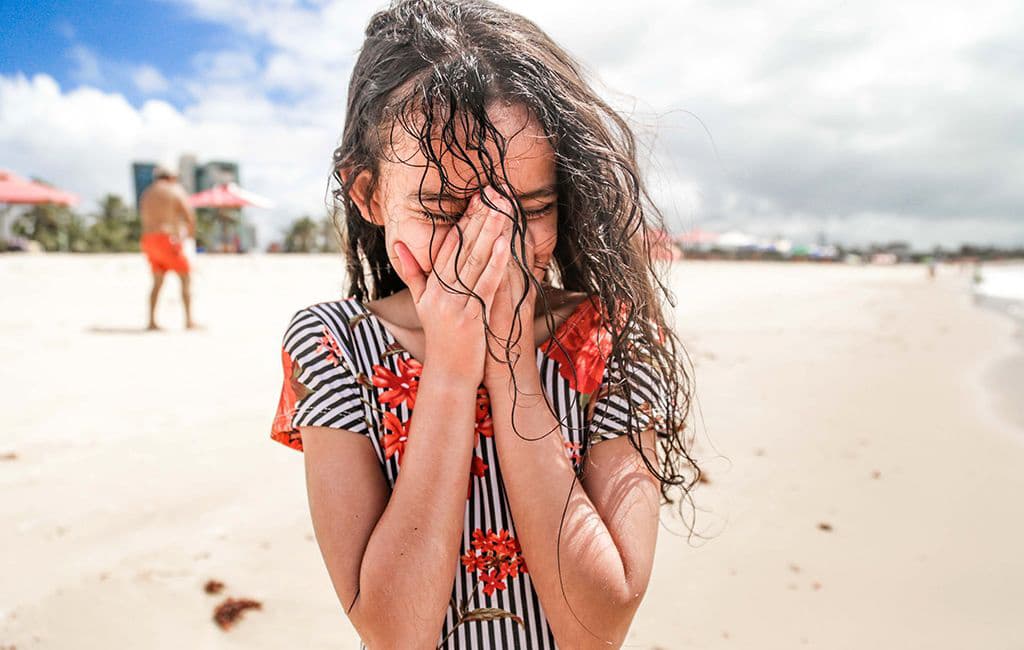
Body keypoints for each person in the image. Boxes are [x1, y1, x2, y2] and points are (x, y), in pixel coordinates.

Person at [270, 1, 698, 647]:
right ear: (370, 195)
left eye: (532, 207)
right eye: (444, 207)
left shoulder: (614, 342)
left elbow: (598, 626)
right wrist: (448, 371)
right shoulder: (332, 348)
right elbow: (394, 632)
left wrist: (511, 363)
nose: (491, 242)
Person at [139, 165, 197, 330]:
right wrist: (189, 237)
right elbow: (189, 216)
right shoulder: (174, 189)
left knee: (157, 281)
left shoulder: (147, 193)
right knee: (185, 277)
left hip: (148, 240)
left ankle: (151, 321)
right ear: (171, 177)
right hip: (167, 239)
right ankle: (189, 321)